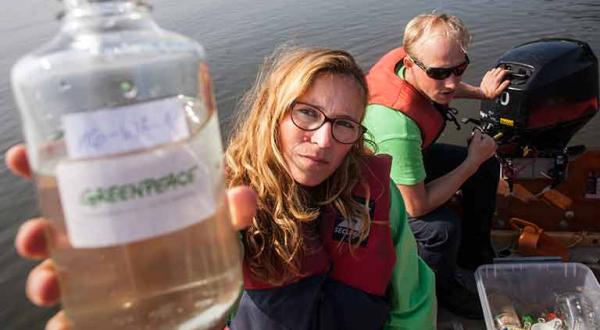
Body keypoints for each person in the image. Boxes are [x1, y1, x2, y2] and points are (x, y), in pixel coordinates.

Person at [9, 47, 437, 329]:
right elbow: (188, 294)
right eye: (307, 114)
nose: (324, 141)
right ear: (272, 113)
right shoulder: (223, 201)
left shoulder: (376, 196)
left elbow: (412, 301)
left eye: (344, 124)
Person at [362, 13, 509, 319]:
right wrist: (471, 160)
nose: (452, 82)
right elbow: (416, 206)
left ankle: (474, 255)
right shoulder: (396, 126)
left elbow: (443, 83)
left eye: (460, 69)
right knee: (440, 230)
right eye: (441, 72)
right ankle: (441, 291)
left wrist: (482, 92)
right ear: (412, 64)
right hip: (371, 189)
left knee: (485, 168)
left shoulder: (412, 64)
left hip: (408, 157)